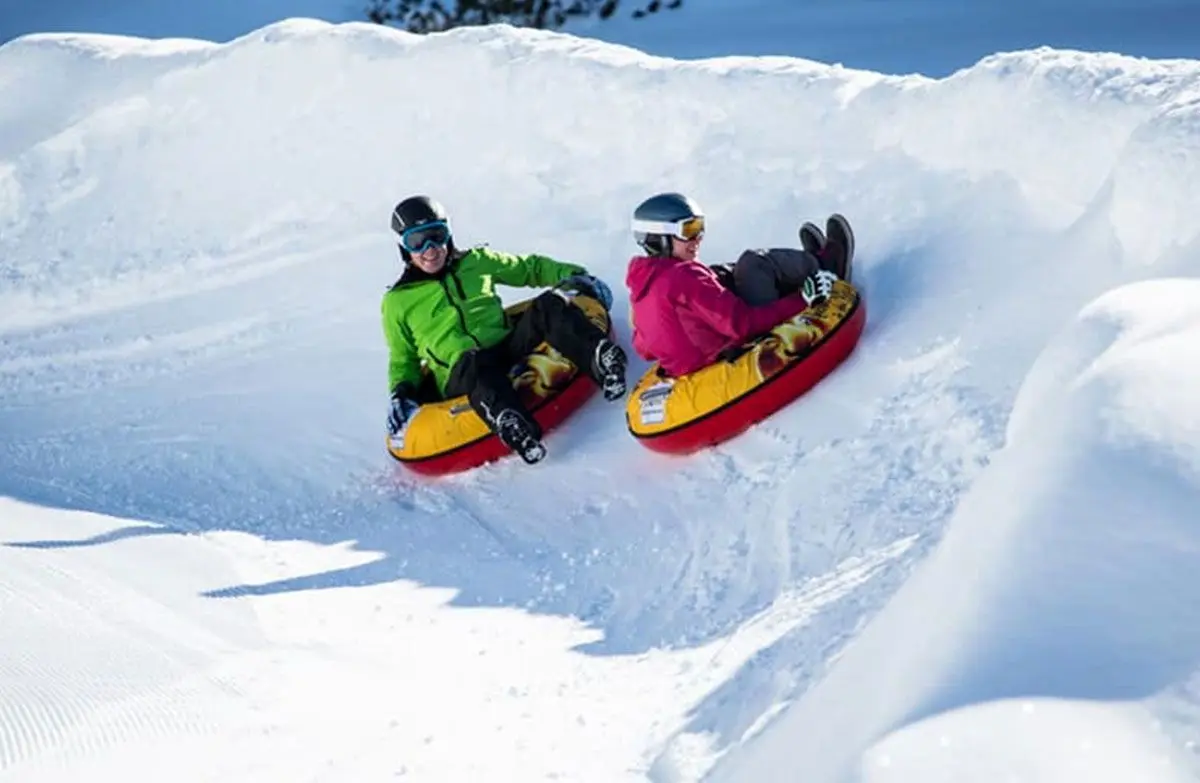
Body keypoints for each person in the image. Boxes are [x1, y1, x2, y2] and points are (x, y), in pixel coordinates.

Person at [381, 195, 627, 465]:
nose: (430, 249)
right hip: (463, 372)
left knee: (548, 304)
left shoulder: (477, 262)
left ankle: (601, 359)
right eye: (417, 242)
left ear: (448, 234)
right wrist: (401, 393)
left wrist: (576, 275)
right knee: (472, 361)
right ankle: (513, 424)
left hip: (505, 347)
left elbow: (530, 269)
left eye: (436, 235)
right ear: (404, 247)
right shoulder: (398, 302)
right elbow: (403, 358)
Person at [624, 192, 854, 378]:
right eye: (689, 230)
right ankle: (825, 266)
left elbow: (645, 349)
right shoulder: (684, 276)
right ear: (659, 238)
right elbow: (742, 325)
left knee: (721, 274)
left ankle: (803, 266)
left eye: (700, 227)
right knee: (753, 262)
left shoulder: (640, 291)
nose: (699, 238)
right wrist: (802, 299)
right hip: (737, 349)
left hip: (702, 364)